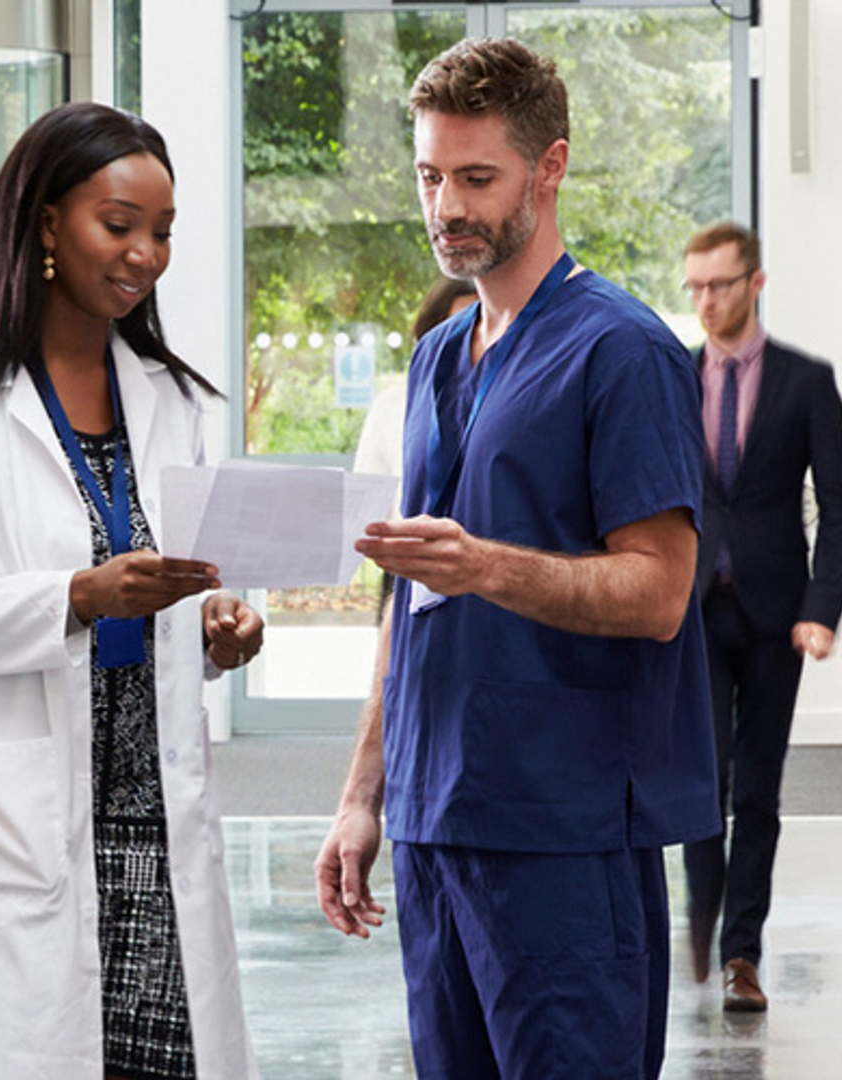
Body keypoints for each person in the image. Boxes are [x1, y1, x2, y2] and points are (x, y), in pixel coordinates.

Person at [314, 38, 718, 1080]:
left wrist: (485, 566)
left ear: (550, 169)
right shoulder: (441, 355)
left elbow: (661, 592)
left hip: (562, 830)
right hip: (435, 818)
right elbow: (409, 601)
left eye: (476, 178)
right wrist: (366, 793)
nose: (446, 206)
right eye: (428, 176)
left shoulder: (621, 352)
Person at [0, 101, 266, 1080]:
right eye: (120, 223)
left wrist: (219, 630)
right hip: (19, 825)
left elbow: (185, 589)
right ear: (47, 222)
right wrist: (77, 596)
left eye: (163, 231)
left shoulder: (175, 402)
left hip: (152, 824)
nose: (146, 253)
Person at [679, 221, 842, 1011]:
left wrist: (822, 609)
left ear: (756, 282)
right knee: (701, 780)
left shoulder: (807, 382)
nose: (707, 301)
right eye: (696, 287)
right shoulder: (673, 378)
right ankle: (701, 924)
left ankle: (743, 951)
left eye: (721, 284)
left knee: (758, 794)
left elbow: (839, 509)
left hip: (777, 614)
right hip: (692, 612)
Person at [352, 277, 479, 616]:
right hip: (408, 573)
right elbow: (367, 500)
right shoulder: (395, 403)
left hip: (485, 572)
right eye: (457, 325)